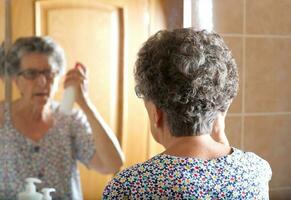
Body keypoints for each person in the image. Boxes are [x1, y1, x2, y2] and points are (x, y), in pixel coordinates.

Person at [103, 28, 272, 199]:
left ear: (156, 113)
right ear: (221, 110)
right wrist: (220, 135)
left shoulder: (128, 187)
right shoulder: (256, 170)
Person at [0, 36, 124, 200]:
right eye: (31, 73)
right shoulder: (2, 117)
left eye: (49, 73)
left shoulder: (70, 119)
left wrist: (85, 103)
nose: (42, 81)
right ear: (15, 78)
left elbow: (112, 164)